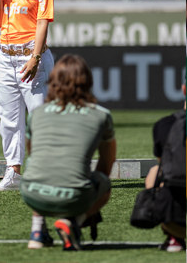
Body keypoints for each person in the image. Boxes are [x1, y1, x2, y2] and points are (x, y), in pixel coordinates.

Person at [20, 54, 116, 250]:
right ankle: (74, 223)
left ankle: (37, 232)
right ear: (88, 82)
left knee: (36, 163)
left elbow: (33, 155)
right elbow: (106, 165)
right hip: (75, 196)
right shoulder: (101, 115)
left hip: (31, 193)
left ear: (53, 82)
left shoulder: (36, 114)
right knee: (104, 183)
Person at [0, 0, 55, 191]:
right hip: (6, 56)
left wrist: (36, 58)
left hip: (30, 55)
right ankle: (13, 172)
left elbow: (42, 23)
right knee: (9, 118)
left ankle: (44, 172)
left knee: (38, 117)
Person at [143, 84, 186, 252]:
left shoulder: (163, 125)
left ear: (183, 90)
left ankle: (173, 235)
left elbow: (164, 167)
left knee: (155, 171)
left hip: (172, 219)